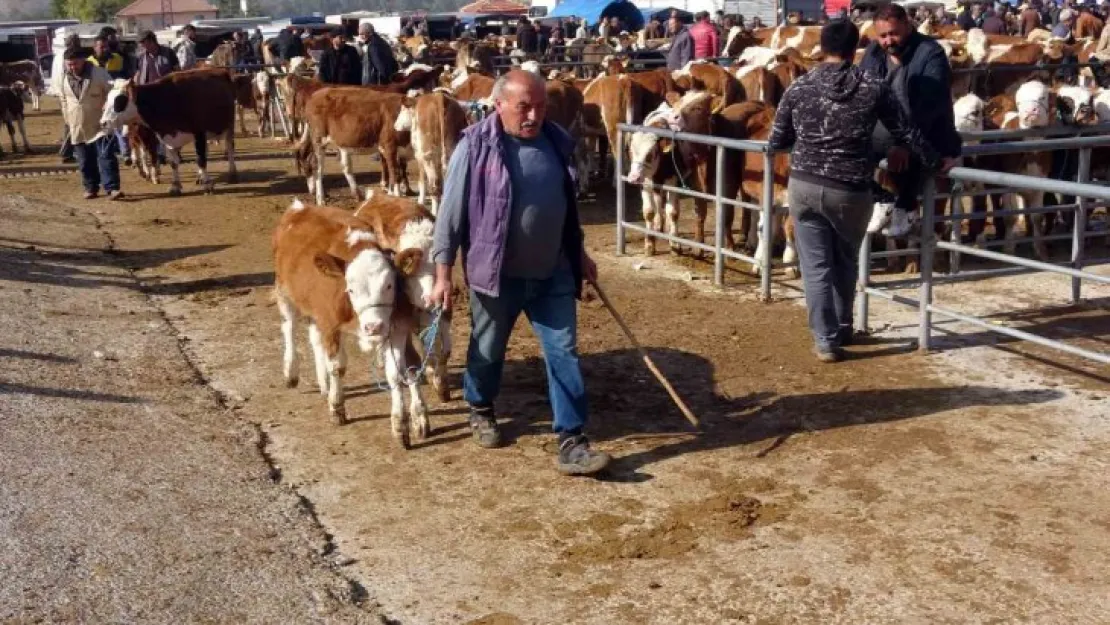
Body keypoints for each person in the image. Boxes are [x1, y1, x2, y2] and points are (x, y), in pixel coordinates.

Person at [429, 70, 611, 476]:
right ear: (499, 104)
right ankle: (479, 406)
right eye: (523, 107)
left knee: (563, 352)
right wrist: (442, 274)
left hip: (554, 271)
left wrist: (579, 253)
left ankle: (572, 439)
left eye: (540, 107)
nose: (533, 115)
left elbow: (566, 209)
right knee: (489, 348)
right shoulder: (475, 146)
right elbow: (450, 216)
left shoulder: (556, 142)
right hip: (495, 275)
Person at [768, 20, 953, 363]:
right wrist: (935, 159)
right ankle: (843, 324)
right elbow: (907, 132)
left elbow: (776, 140)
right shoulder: (874, 87)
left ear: (821, 46)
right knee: (845, 259)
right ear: (856, 48)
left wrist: (809, 143)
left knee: (816, 266)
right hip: (851, 189)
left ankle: (825, 340)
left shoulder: (799, 87)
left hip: (805, 184)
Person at [859, 3, 962, 237]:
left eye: (893, 33)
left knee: (914, 155)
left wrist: (904, 144)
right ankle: (882, 200)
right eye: (883, 36)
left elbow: (929, 106)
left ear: (907, 25)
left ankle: (906, 207)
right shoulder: (874, 53)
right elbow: (863, 91)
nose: (888, 41)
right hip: (883, 131)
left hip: (926, 132)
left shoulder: (930, 52)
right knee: (844, 151)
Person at [59, 49, 123, 201]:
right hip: (77, 125)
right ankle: (90, 188)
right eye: (69, 64)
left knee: (106, 157)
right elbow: (63, 99)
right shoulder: (64, 78)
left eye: (75, 63)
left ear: (83, 60)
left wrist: (108, 107)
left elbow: (112, 92)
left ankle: (112, 188)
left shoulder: (99, 73)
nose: (72, 67)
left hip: (101, 123)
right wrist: (67, 117)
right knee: (85, 160)